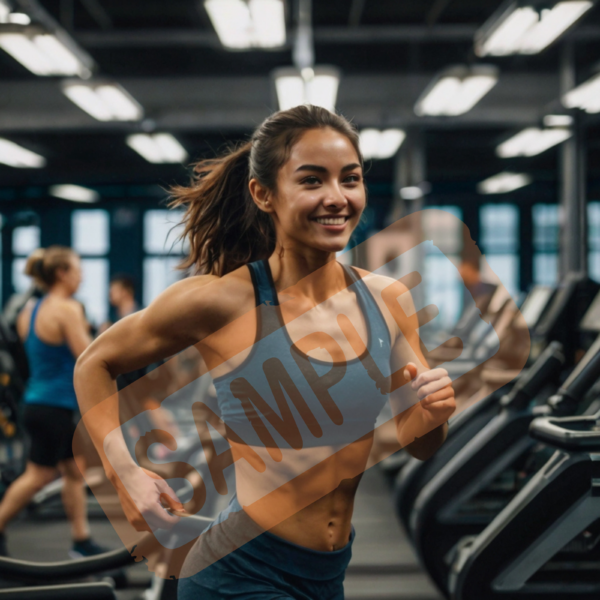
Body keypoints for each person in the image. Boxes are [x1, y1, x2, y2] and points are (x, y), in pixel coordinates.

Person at [74, 105, 455, 599]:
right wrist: (124, 473)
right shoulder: (223, 299)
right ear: (264, 194)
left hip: (328, 573)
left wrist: (435, 411)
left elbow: (421, 443)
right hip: (240, 573)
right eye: (312, 181)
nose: (337, 198)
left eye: (351, 179)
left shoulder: (387, 300)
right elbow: (94, 363)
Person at [0, 246, 105, 558]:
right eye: (77, 269)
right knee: (39, 476)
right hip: (55, 408)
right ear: (62, 273)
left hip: (36, 402)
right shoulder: (67, 309)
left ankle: (81, 540)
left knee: (73, 473)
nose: (82, 275)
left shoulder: (29, 311)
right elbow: (88, 357)